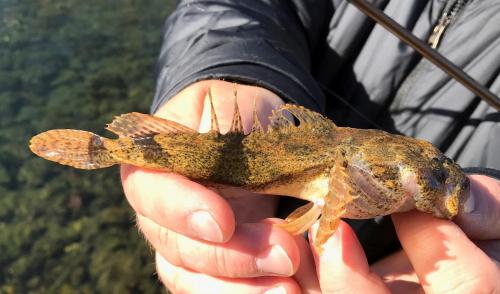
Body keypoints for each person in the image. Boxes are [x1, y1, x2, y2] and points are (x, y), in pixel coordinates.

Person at [121, 1, 500, 293]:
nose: (435, 183)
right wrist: (233, 68)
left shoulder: (373, 172)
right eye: (430, 172)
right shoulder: (354, 171)